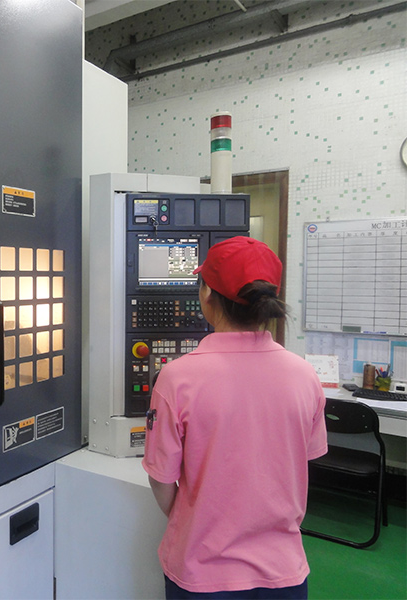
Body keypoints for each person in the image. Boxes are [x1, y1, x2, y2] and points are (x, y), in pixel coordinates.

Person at [142, 236, 327, 600]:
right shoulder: (304, 375)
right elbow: (303, 462)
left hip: (202, 572)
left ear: (207, 294)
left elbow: (162, 480)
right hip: (283, 571)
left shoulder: (177, 378)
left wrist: (194, 523)